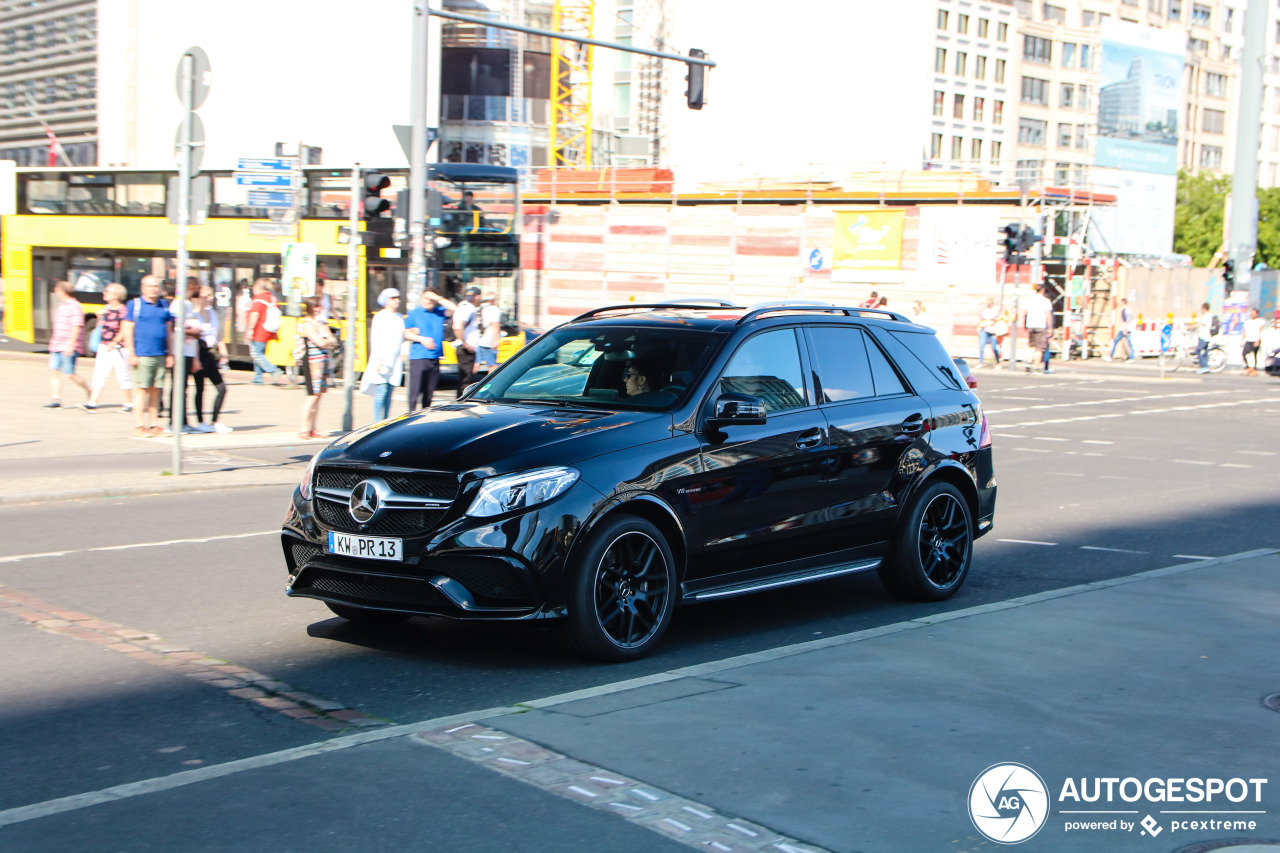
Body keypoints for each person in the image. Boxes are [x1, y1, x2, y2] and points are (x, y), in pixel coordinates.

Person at [121, 275, 174, 436]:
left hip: (160, 354)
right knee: (141, 390)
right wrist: (132, 353)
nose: (153, 289)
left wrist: (170, 354)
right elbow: (127, 330)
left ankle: (153, 425)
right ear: (143, 288)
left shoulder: (164, 305)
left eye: (156, 286)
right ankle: (139, 426)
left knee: (156, 391)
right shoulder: (134, 305)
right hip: (142, 354)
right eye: (150, 286)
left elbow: (169, 331)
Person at [405, 289, 458, 411]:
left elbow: (455, 309)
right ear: (420, 299)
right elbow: (406, 333)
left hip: (434, 358)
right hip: (419, 357)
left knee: (429, 393)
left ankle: (424, 416)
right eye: (426, 298)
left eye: (431, 299)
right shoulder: (414, 314)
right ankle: (410, 416)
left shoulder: (438, 312)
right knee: (415, 392)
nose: (428, 301)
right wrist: (421, 339)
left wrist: (437, 297)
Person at [360, 288, 407, 422]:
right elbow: (376, 339)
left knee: (389, 392)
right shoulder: (380, 316)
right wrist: (379, 359)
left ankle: (385, 420)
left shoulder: (399, 317)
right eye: (393, 298)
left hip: (395, 360)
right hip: (382, 359)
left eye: (398, 297)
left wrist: (403, 353)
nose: (396, 300)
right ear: (386, 301)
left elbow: (401, 338)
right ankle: (377, 421)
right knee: (381, 390)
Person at [85, 283, 133, 411]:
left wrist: (114, 341)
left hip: (119, 348)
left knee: (122, 375)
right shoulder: (107, 309)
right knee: (99, 373)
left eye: (107, 291)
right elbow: (101, 328)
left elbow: (124, 329)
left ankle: (129, 403)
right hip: (104, 346)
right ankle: (92, 401)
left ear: (116, 295)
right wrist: (100, 317)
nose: (104, 293)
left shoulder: (123, 310)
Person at [295, 297, 337, 439]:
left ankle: (314, 428)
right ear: (309, 308)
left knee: (319, 396)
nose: (318, 309)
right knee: (312, 395)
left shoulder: (320, 323)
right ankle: (303, 428)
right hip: (312, 362)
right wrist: (327, 341)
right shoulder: (306, 324)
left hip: (323, 362)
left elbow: (333, 340)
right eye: (314, 307)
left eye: (318, 306)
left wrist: (328, 341)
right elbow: (320, 342)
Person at [44, 280, 90, 408]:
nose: (56, 292)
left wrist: (71, 345)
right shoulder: (61, 305)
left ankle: (89, 391)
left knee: (70, 374)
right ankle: (56, 399)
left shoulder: (74, 306)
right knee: (54, 371)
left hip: (68, 345)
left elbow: (76, 326)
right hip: (56, 344)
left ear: (62, 291)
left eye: (57, 290)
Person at [192, 285, 231, 433]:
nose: (209, 299)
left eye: (211, 296)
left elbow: (218, 334)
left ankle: (215, 421)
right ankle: (201, 422)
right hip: (199, 351)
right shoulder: (194, 314)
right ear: (199, 297)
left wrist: (223, 351)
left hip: (211, 352)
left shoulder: (212, 313)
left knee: (222, 389)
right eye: (206, 296)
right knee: (200, 388)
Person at [170, 277, 202, 434]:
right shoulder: (179, 303)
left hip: (189, 351)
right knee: (178, 387)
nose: (200, 290)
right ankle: (174, 421)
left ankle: (183, 421)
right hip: (179, 351)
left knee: (184, 387)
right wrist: (193, 331)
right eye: (198, 287)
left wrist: (195, 358)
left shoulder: (189, 304)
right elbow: (174, 326)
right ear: (192, 286)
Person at [245, 279, 287, 385]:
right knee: (260, 354)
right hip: (269, 330)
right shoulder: (273, 298)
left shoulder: (259, 299)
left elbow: (255, 314)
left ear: (258, 288)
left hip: (259, 330)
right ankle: (258, 377)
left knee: (256, 354)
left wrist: (250, 329)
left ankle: (273, 370)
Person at [452, 285, 482, 389]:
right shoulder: (468, 308)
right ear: (478, 297)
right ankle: (461, 403)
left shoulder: (462, 306)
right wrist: (465, 343)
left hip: (465, 349)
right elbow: (457, 327)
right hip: (466, 350)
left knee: (464, 380)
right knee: (465, 382)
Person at [1023, 284, 1054, 374]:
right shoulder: (1045, 301)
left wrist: (1025, 323)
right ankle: (1036, 368)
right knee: (1039, 348)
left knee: (1031, 346)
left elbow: (1024, 312)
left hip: (1031, 325)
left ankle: (1028, 363)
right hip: (1041, 325)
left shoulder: (1029, 300)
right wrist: (1050, 328)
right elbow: (1048, 316)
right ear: (1043, 290)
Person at [474, 291, 503, 376]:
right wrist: (496, 340)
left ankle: (467, 381)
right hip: (489, 341)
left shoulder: (482, 309)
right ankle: (489, 385)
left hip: (481, 340)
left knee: (477, 363)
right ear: (494, 299)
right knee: (493, 365)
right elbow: (495, 324)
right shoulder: (494, 309)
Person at [977, 298, 1002, 367]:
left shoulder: (996, 310)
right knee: (981, 346)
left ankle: (998, 362)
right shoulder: (983, 310)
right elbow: (981, 319)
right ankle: (981, 362)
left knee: (994, 347)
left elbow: (998, 318)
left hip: (992, 330)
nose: (988, 303)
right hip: (984, 329)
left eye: (990, 302)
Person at [1242, 307, 1265, 376]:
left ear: (1257, 314)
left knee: (1255, 355)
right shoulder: (1248, 321)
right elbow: (1245, 331)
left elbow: (1261, 331)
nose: (1252, 314)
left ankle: (1254, 369)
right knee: (1244, 353)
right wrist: (1242, 339)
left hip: (1256, 339)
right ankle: (1249, 367)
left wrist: (1258, 340)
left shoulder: (1260, 321)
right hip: (1248, 339)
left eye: (1253, 313)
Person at [1194, 302, 1213, 374]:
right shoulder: (1210, 315)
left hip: (1204, 336)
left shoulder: (1206, 316)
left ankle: (1204, 366)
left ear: (1204, 308)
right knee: (1205, 352)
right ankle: (1206, 367)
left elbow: (1199, 324)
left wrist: (1188, 326)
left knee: (1198, 351)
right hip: (1208, 336)